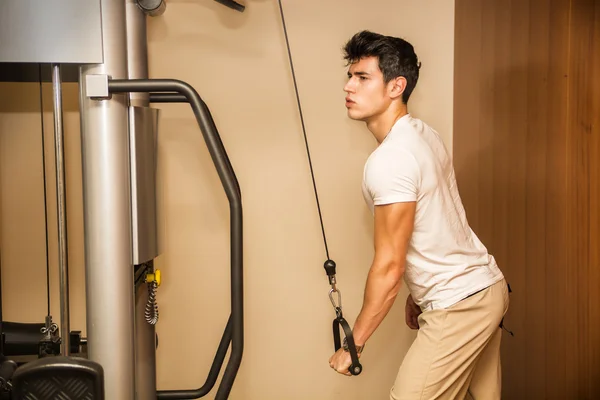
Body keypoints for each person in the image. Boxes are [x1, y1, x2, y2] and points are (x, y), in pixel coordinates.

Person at [328, 30, 510, 400]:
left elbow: (389, 265)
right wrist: (420, 292)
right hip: (484, 288)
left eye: (363, 78)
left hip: (460, 304)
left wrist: (355, 342)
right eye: (350, 75)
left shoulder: (390, 160)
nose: (349, 86)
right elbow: (439, 220)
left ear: (397, 86)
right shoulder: (423, 134)